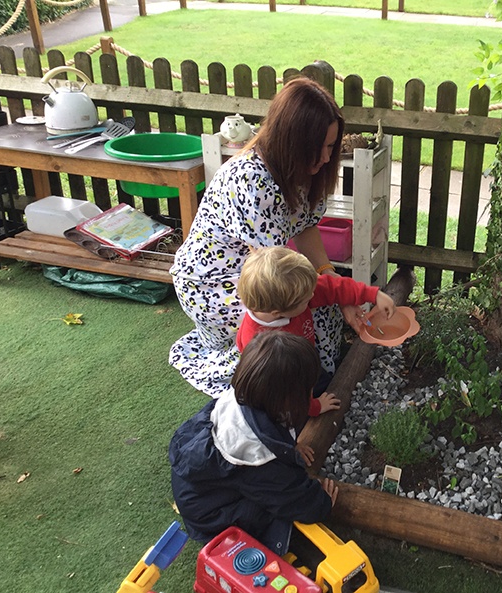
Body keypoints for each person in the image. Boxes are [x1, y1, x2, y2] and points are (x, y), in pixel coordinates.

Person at [169, 76, 361, 397]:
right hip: (213, 282)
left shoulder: (301, 169)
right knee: (296, 317)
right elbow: (275, 279)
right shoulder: (253, 181)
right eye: (319, 148)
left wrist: (329, 275)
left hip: (261, 268)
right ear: (292, 141)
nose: (328, 158)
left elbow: (306, 227)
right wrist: (340, 293)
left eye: (331, 146)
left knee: (320, 307)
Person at [169, 331, 339, 553]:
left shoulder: (247, 396)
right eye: (308, 390)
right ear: (290, 400)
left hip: (200, 489)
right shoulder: (254, 457)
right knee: (267, 511)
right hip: (212, 516)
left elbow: (274, 430)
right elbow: (291, 496)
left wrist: (290, 446)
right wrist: (321, 503)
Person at [236, 246, 396, 415]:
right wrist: (315, 407)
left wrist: (374, 295)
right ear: (278, 312)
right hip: (288, 384)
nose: (313, 296)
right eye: (306, 301)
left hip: (305, 363)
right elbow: (288, 390)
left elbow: (332, 287)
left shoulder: (292, 294)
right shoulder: (263, 346)